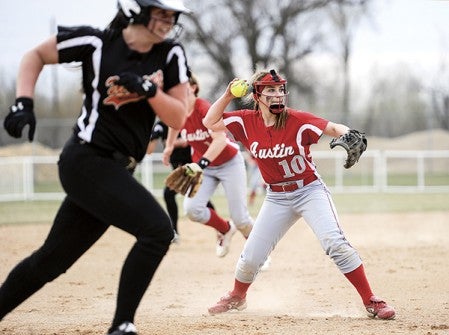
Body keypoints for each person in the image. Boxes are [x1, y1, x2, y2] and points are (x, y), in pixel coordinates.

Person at [1, 1, 191, 334]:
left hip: (117, 170)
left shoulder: (171, 54)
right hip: (86, 160)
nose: (168, 21)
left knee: (52, 260)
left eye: (172, 16)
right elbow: (35, 56)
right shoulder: (97, 43)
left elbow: (178, 116)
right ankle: (122, 325)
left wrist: (149, 90)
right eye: (161, 12)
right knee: (158, 231)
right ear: (136, 9)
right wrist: (24, 102)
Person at [203, 69, 396, 320]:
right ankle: (237, 296)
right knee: (251, 257)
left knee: (335, 243)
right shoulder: (245, 121)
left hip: (309, 190)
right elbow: (210, 122)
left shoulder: (297, 119)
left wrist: (349, 134)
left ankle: (371, 300)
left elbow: (332, 127)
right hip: (276, 197)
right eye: (270, 90)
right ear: (257, 95)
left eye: (281, 90)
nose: (278, 95)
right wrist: (229, 94)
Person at [162, 73, 255, 258]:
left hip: (229, 163)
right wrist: (169, 146)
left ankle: (258, 253)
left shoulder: (202, 107)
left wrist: (200, 164)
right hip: (206, 167)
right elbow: (174, 123)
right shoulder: (179, 109)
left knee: (241, 218)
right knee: (192, 209)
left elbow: (220, 140)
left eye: (181, 86)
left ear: (193, 88)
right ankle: (225, 229)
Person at [147, 119, 216, 242]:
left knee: (169, 194)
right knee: (198, 197)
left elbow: (185, 142)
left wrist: (169, 144)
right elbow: (151, 146)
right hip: (177, 167)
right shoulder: (161, 125)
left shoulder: (182, 120)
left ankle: (174, 232)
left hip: (190, 166)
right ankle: (220, 226)